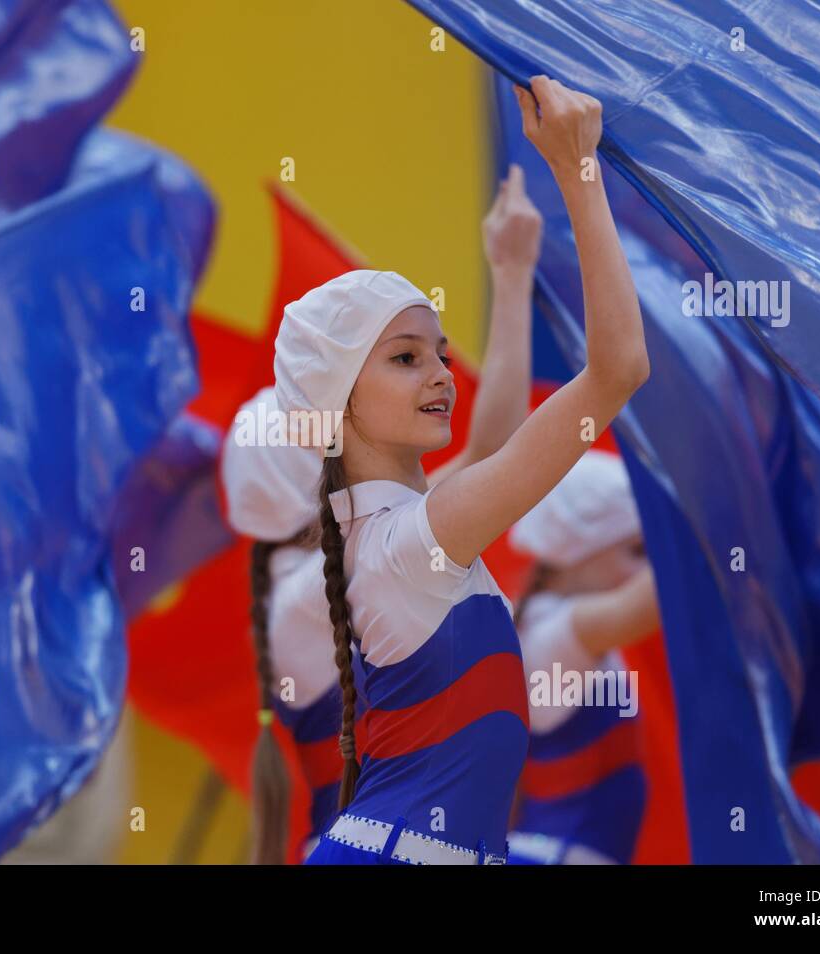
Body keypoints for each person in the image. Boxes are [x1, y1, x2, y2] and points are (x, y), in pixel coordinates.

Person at [272, 74, 649, 864]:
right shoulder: (414, 539)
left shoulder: (393, 532)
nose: (441, 374)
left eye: (440, 353)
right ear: (338, 399)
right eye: (406, 358)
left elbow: (495, 446)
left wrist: (511, 274)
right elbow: (615, 369)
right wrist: (578, 171)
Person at [223, 162, 544, 863]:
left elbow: (491, 452)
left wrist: (514, 275)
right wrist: (513, 277)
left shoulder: (355, 553)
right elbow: (494, 457)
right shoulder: (339, 576)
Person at [505, 450, 661, 865]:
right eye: (637, 550)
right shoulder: (558, 636)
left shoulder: (546, 627)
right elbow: (654, 598)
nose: (647, 567)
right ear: (576, 553)